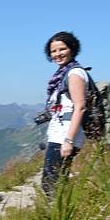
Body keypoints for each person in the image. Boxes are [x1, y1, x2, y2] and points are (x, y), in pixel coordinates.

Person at [41, 31, 88, 197]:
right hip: (61, 134)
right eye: (53, 51)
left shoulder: (74, 73)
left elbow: (80, 107)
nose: (57, 54)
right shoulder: (64, 73)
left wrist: (68, 141)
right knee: (56, 180)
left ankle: (60, 211)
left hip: (65, 136)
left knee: (51, 183)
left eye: (62, 49)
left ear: (72, 49)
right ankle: (63, 208)